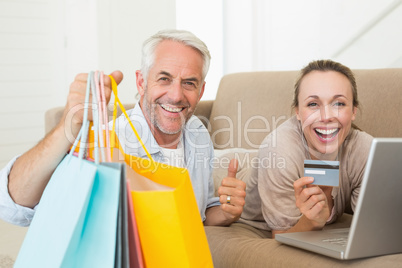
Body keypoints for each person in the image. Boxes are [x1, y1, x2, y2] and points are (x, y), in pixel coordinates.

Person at [0, 29, 246, 227]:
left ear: (201, 91)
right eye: (164, 79)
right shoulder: (108, 142)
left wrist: (225, 211)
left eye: (189, 83)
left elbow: (198, 215)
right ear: (141, 82)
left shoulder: (198, 134)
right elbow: (12, 207)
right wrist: (69, 122)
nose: (176, 95)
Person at [239, 59, 373, 237]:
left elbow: (376, 224)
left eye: (339, 103)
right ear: (297, 112)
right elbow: (281, 237)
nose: (326, 117)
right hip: (237, 167)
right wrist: (311, 222)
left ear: (354, 111)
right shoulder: (279, 150)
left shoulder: (365, 149)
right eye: (313, 104)